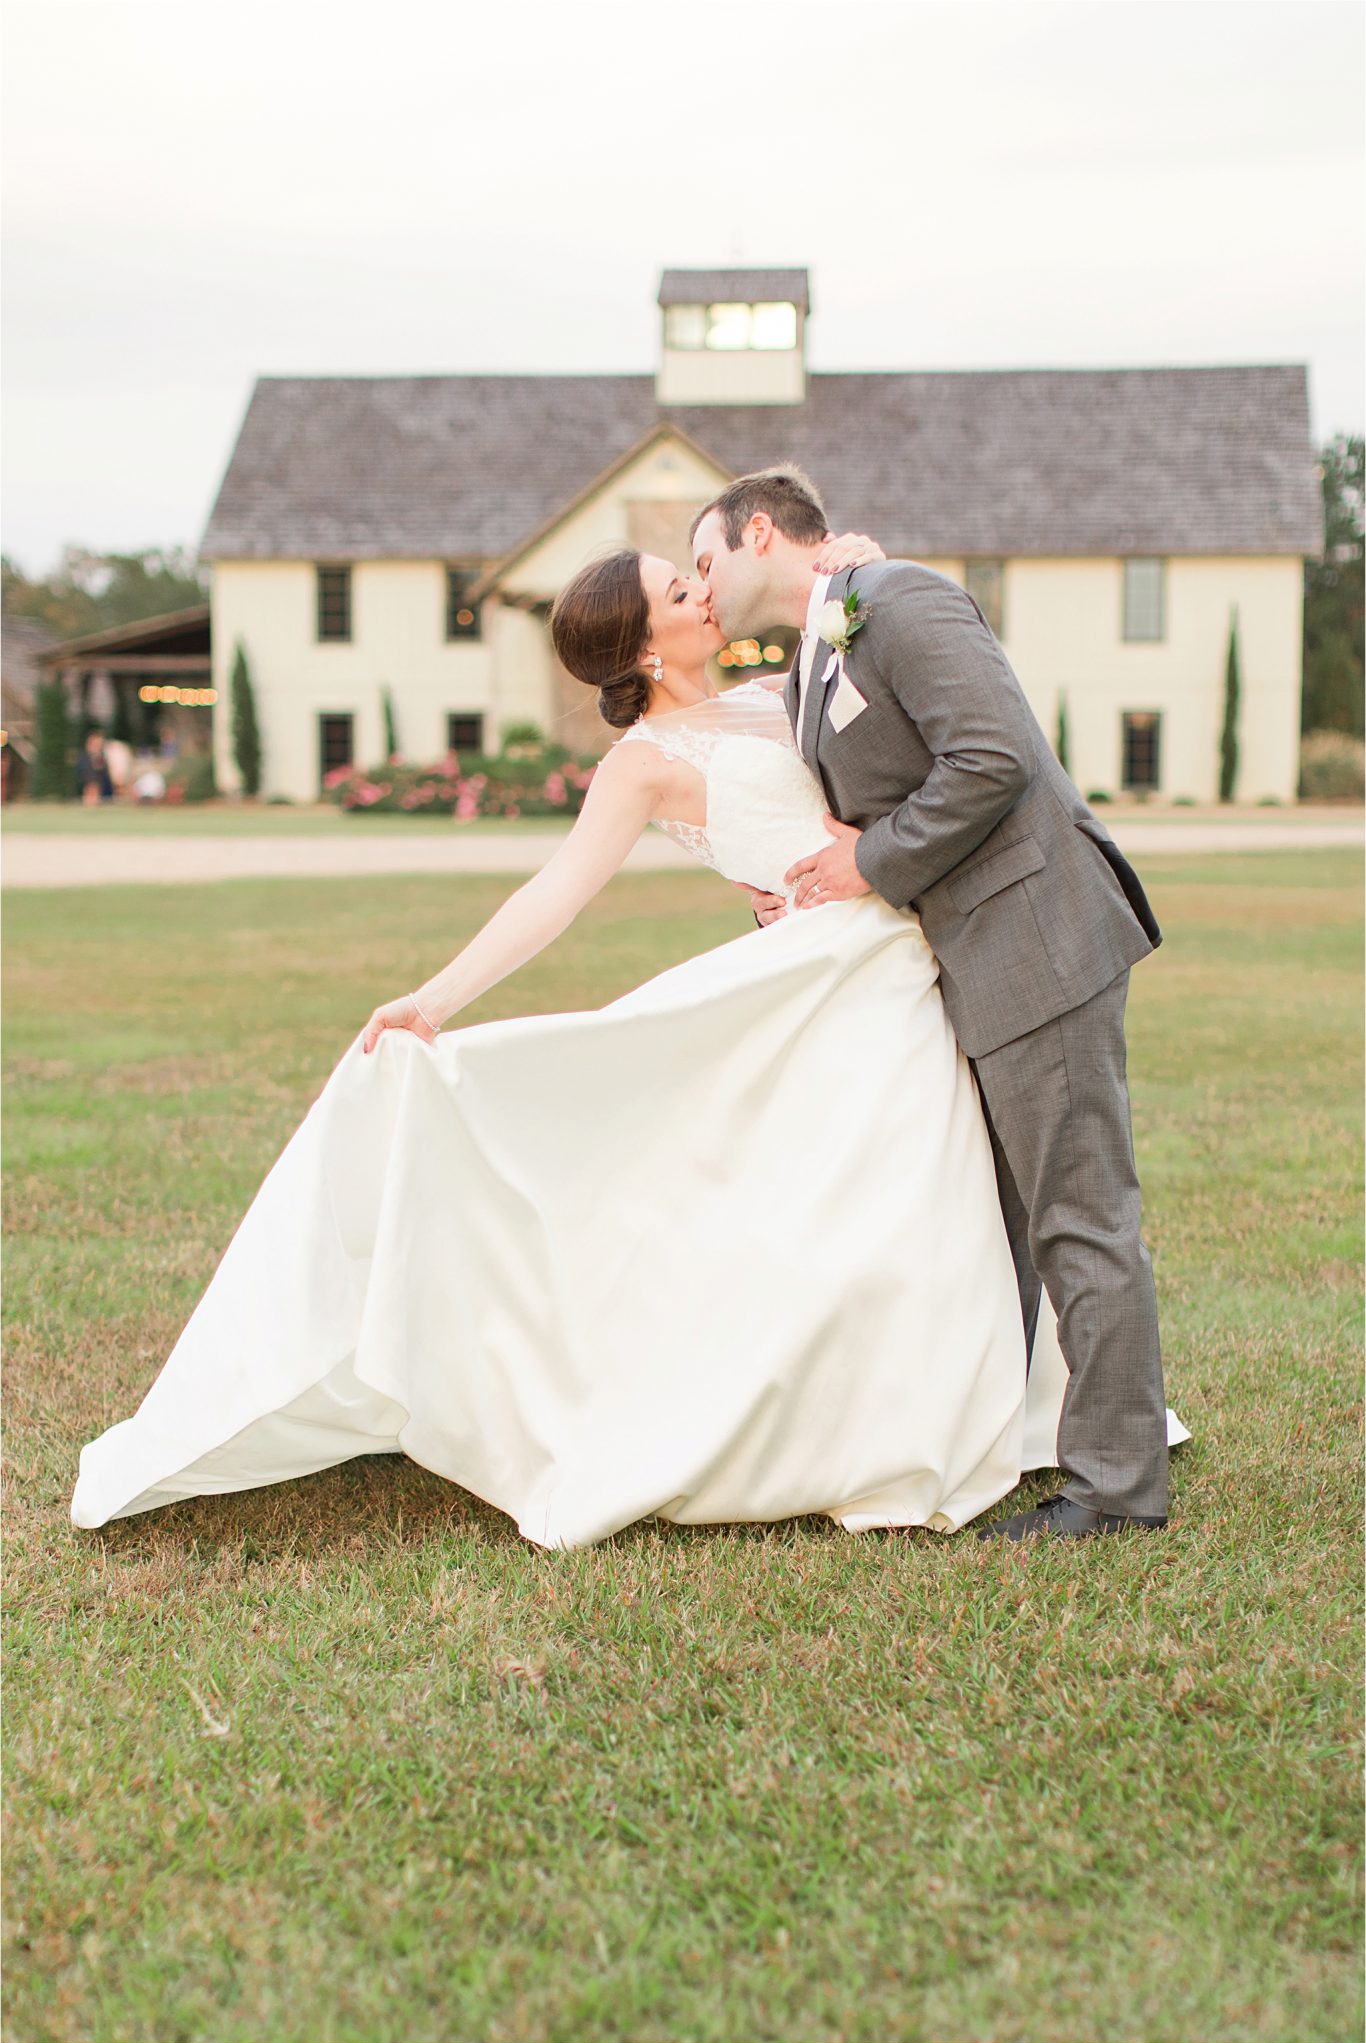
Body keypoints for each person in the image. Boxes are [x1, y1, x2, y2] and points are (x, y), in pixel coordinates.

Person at [69, 528, 1186, 1545]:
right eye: (674, 587)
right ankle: (866, 1425)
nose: (700, 590)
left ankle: (998, 1412)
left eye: (693, 572)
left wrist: (854, 568)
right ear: (641, 643)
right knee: (857, 1218)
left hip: (916, 962)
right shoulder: (644, 760)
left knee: (940, 1214)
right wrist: (436, 996)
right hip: (828, 986)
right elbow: (554, 892)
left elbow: (883, 700)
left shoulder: (786, 686)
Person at [691, 468, 1170, 1540]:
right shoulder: (816, 649)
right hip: (966, 957)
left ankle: (1117, 1486)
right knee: (989, 1222)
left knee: (1080, 1215)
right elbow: (848, 796)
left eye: (704, 561)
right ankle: (999, 1443)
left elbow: (992, 755)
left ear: (758, 529)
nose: (699, 587)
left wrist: (873, 858)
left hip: (1036, 935)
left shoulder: (896, 599)